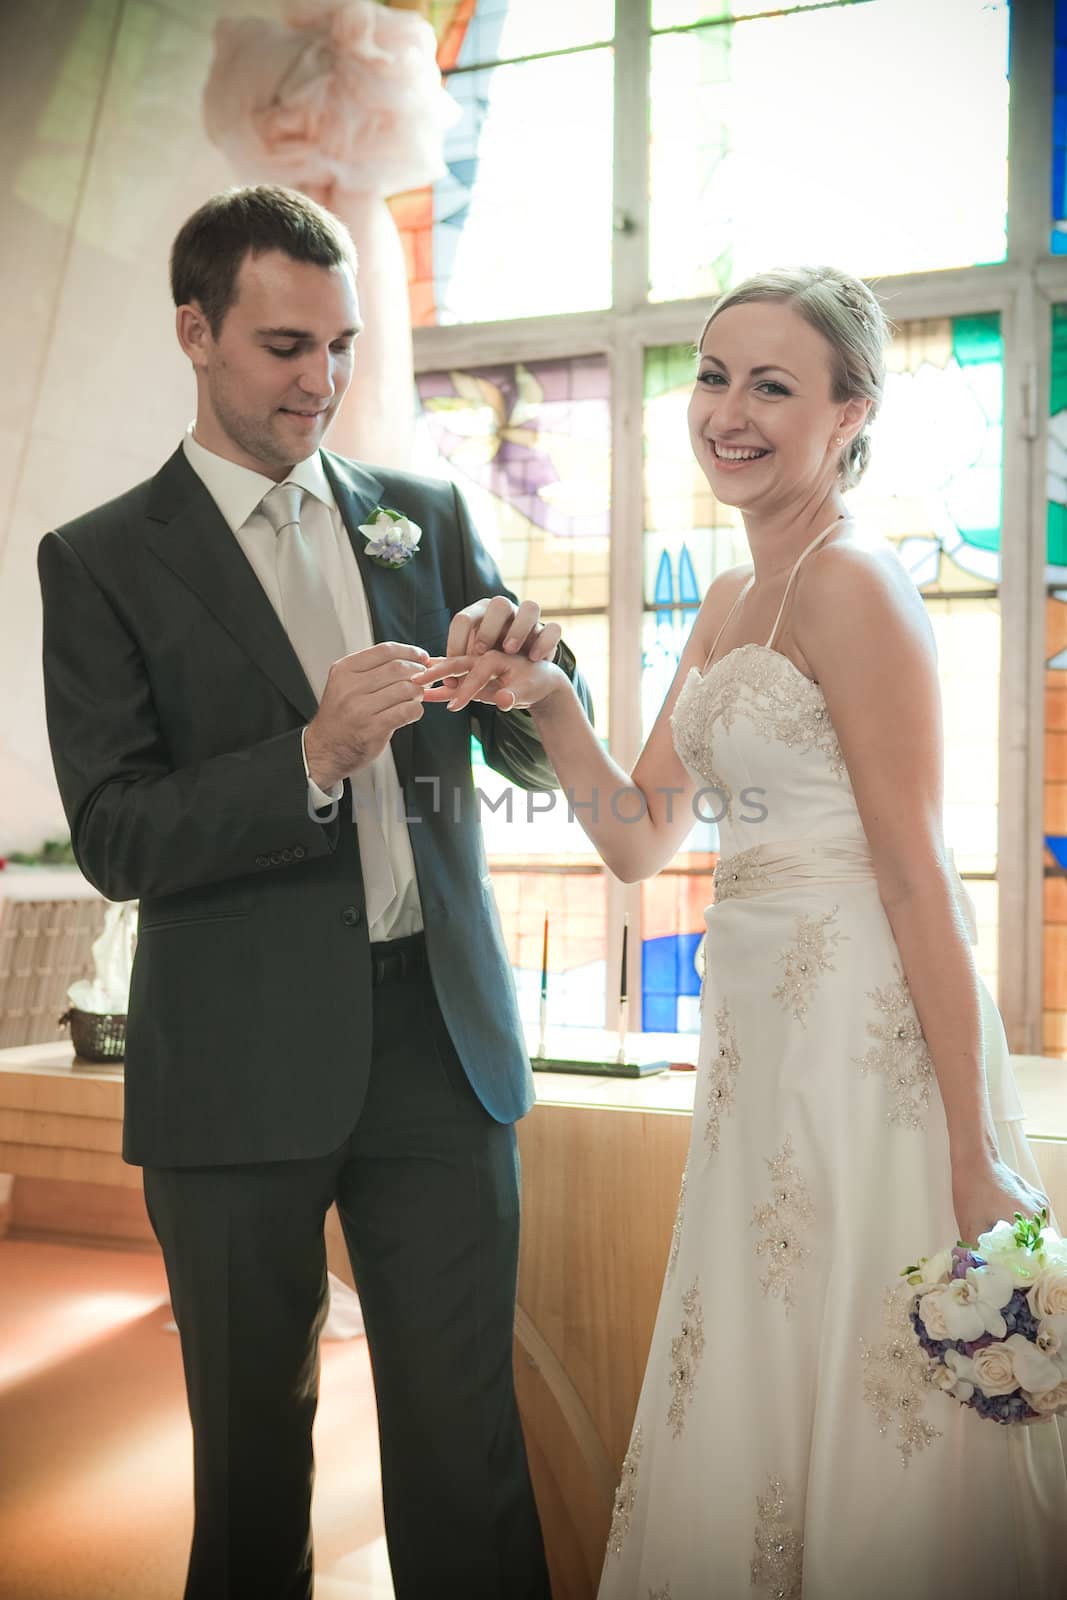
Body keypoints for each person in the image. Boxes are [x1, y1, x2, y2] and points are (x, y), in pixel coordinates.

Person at [418, 265, 1067, 1597]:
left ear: (850, 415)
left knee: (871, 1370)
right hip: (756, 1047)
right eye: (716, 375)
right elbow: (638, 835)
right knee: (760, 1346)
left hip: (862, 1048)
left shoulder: (857, 585)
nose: (730, 408)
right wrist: (546, 698)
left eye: (775, 384)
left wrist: (975, 1147)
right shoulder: (725, 603)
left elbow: (918, 876)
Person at [37, 183, 590, 1600]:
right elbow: (115, 832)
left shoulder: (423, 515)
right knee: (249, 1468)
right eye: (286, 346)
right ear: (195, 331)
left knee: (467, 1453)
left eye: (340, 346)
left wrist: (538, 671)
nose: (323, 380)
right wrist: (310, 756)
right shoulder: (99, 560)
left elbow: (523, 729)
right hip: (228, 1063)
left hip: (440, 1051)